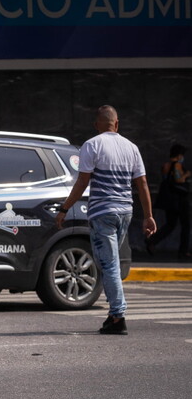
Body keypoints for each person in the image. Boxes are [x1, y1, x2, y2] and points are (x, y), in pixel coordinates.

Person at [55, 105, 156, 336]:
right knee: (108, 263)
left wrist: (64, 208)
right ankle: (113, 315)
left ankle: (118, 316)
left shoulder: (92, 145)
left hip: (103, 213)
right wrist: (148, 216)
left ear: (96, 125)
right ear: (117, 124)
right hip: (125, 213)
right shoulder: (131, 148)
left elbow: (82, 182)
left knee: (108, 265)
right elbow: (141, 185)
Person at [146, 144, 191, 260]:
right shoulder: (177, 166)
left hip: (169, 201)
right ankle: (183, 251)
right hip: (180, 200)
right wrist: (187, 174)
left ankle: (152, 240)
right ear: (179, 155)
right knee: (185, 225)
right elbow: (179, 180)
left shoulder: (165, 166)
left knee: (170, 225)